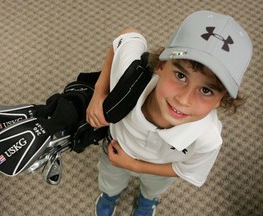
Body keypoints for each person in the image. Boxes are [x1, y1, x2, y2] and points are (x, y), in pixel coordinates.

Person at [86, 10, 252, 216]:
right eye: (181, 75)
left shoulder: (208, 138)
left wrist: (135, 166)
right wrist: (99, 94)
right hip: (116, 147)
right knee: (110, 180)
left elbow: (184, 170)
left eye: (206, 90)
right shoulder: (130, 78)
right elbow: (126, 36)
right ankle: (109, 195)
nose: (184, 99)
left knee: (153, 188)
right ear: (162, 65)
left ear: (222, 99)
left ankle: (147, 201)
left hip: (160, 168)